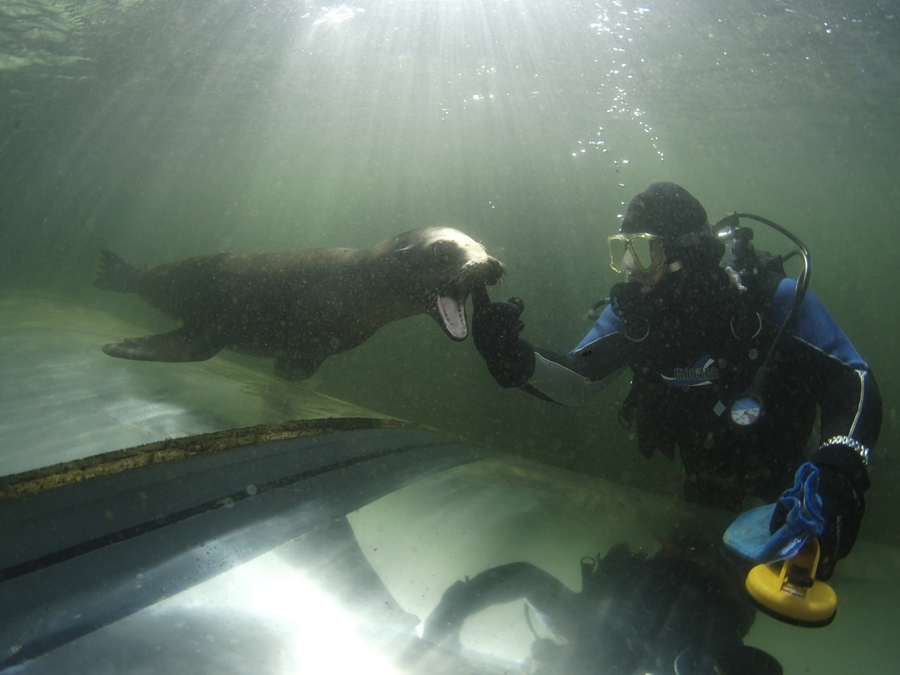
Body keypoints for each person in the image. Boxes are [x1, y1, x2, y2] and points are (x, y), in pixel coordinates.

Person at [472, 182, 882, 580]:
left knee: (807, 568)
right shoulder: (635, 317)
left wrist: (840, 464)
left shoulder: (767, 297)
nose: (632, 272)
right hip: (705, 477)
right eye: (622, 252)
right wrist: (516, 360)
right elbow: (579, 379)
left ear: (692, 250)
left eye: (645, 252)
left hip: (789, 470)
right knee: (698, 585)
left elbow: (850, 377)